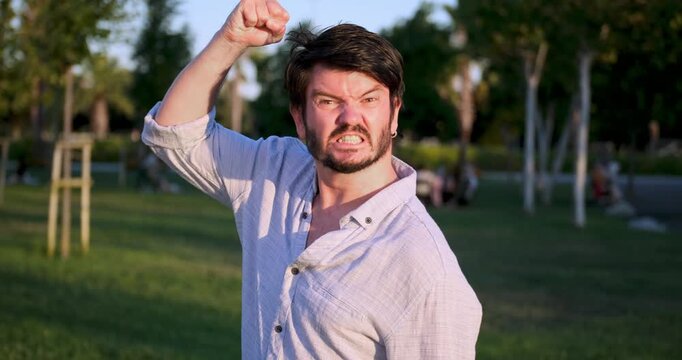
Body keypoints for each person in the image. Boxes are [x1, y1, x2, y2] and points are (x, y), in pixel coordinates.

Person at [142, 0, 482, 358]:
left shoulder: (425, 269)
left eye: (368, 99)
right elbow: (173, 133)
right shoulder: (273, 172)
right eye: (328, 101)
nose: (351, 118)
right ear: (300, 119)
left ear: (394, 114)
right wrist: (230, 40)